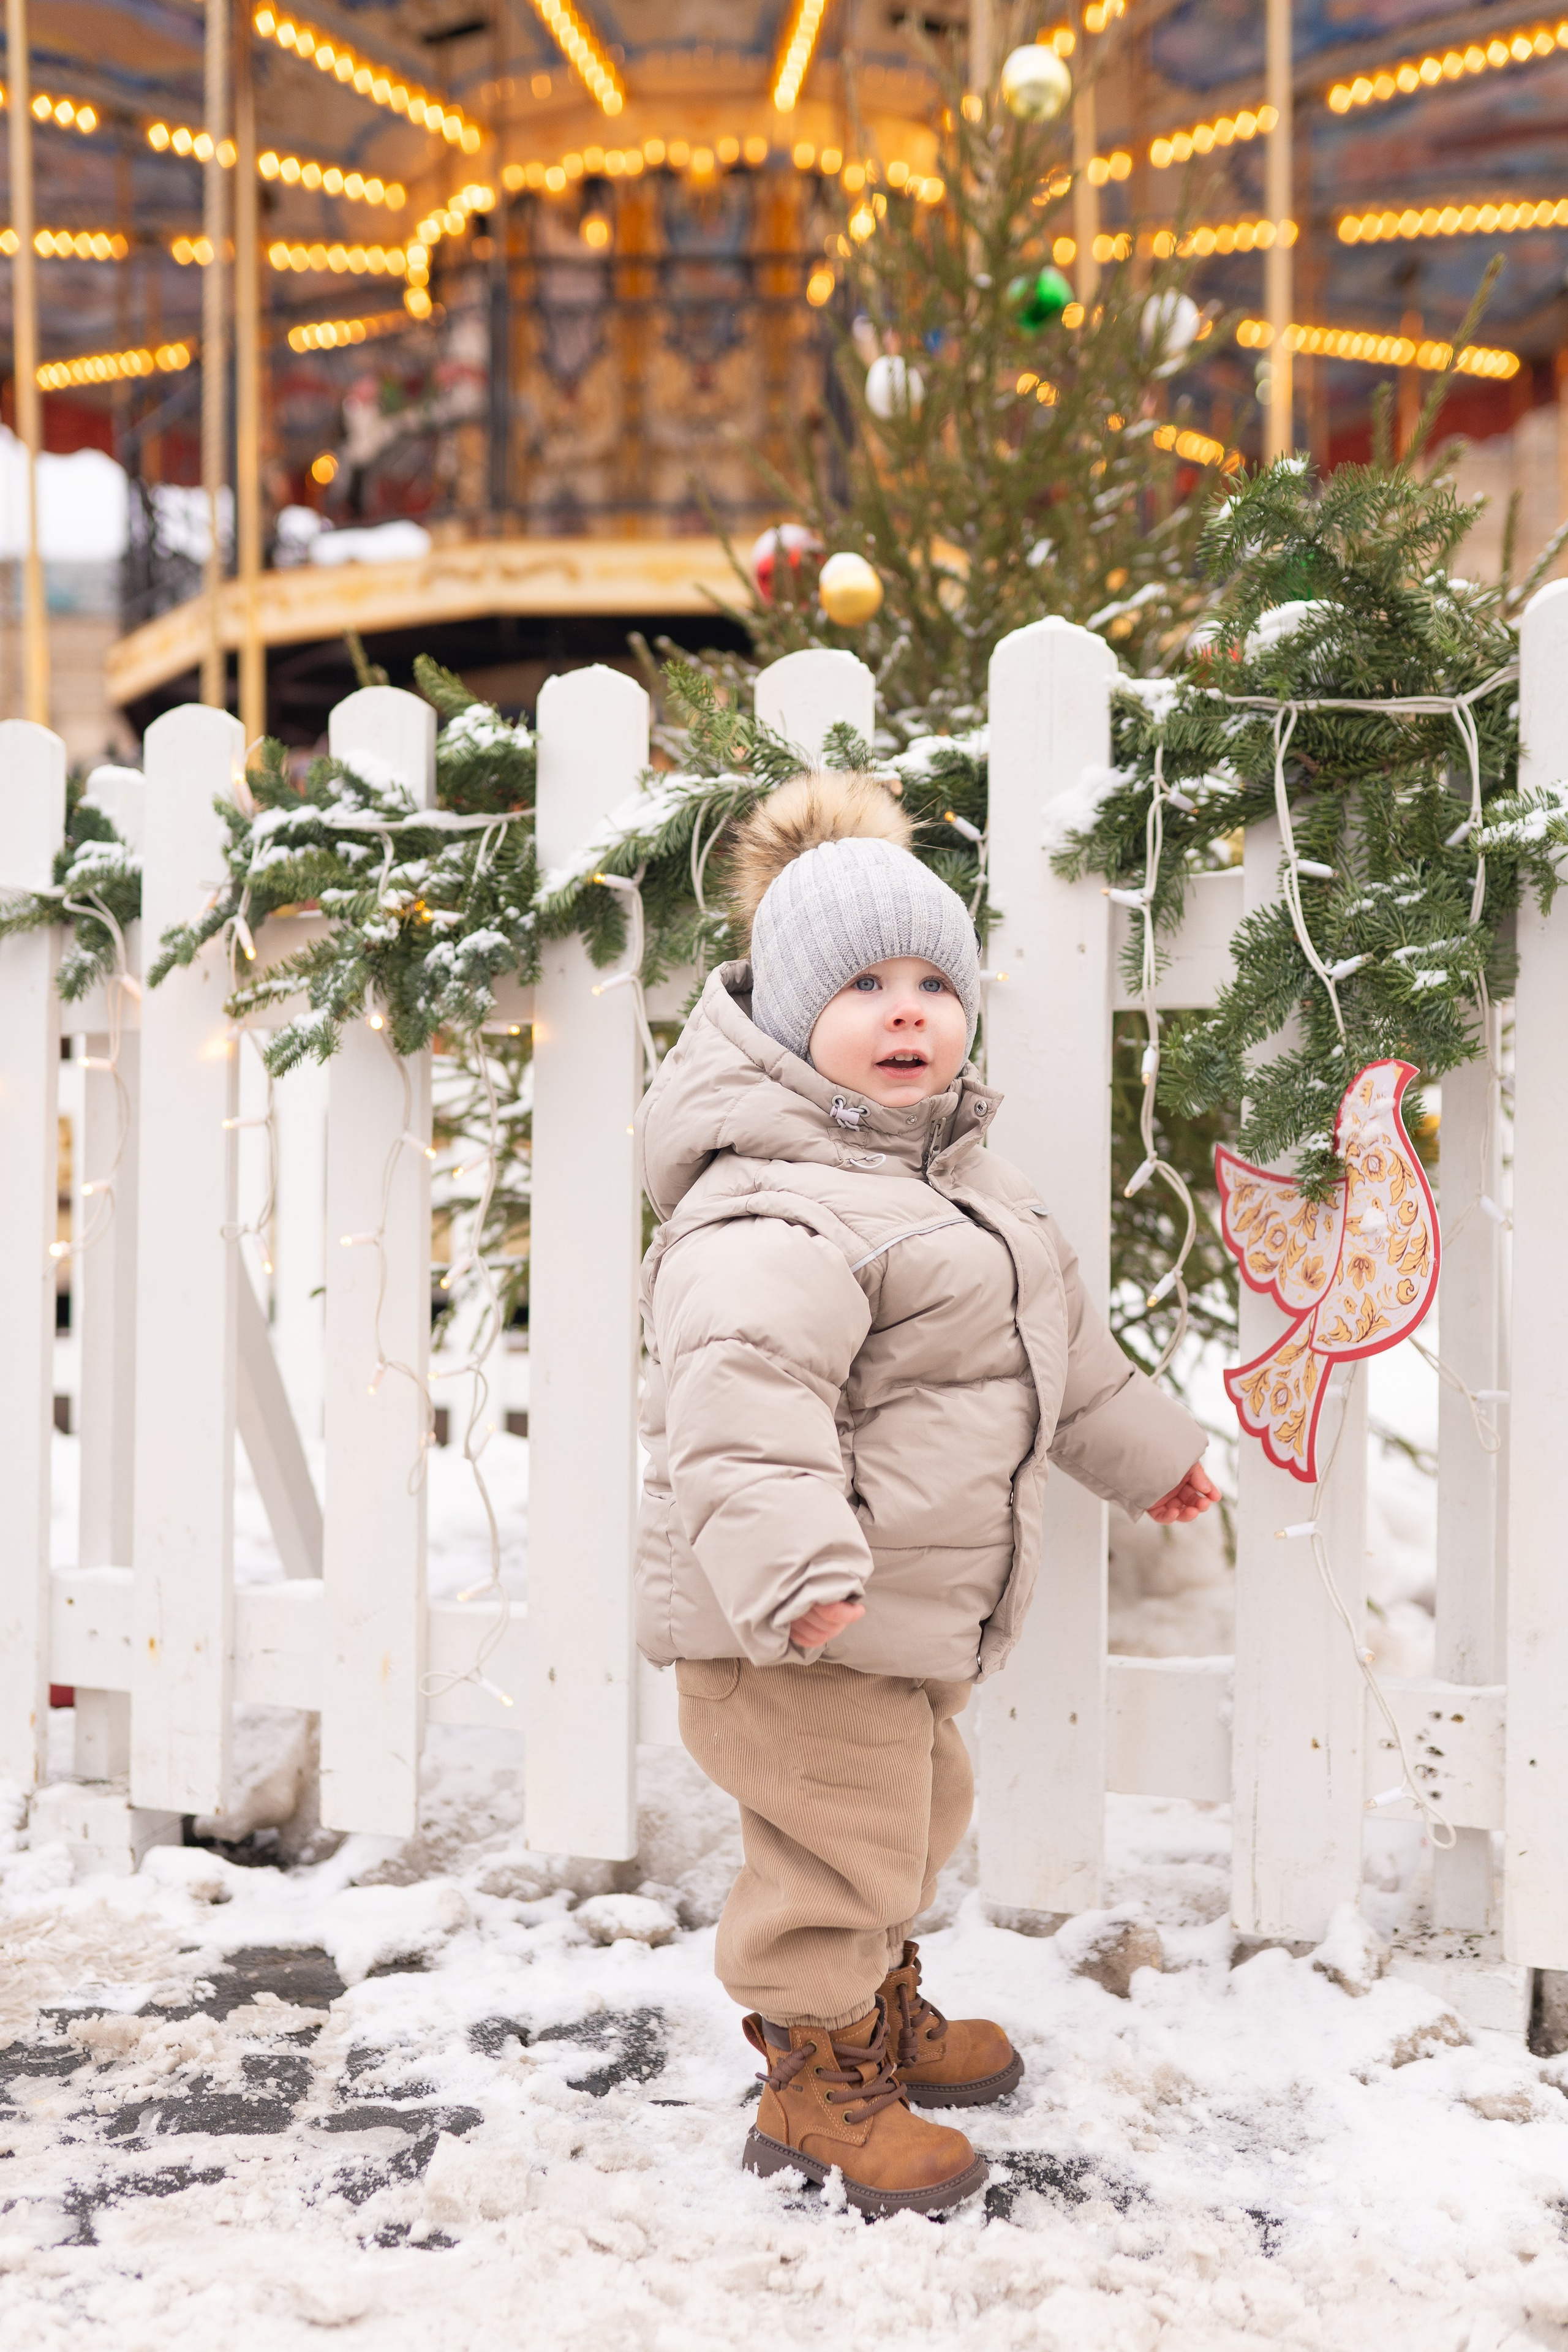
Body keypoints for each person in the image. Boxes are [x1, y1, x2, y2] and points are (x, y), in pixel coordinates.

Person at [634, 772, 1217, 2217]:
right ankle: (811, 2083)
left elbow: (1060, 1358)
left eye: (929, 984)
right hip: (796, 1620)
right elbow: (742, 1409)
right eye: (860, 987)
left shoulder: (964, 1185)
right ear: (782, 1021)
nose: (906, 1013)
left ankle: (873, 2011)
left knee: (904, 1818)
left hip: (891, 1616)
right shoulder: (775, 1206)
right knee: (832, 1848)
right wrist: (792, 1572)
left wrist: (1147, 1451)